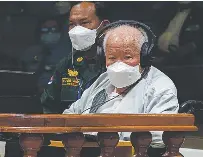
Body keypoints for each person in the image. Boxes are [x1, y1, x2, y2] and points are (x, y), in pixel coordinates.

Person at [63, 22, 179, 157]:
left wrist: (110, 136)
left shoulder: (160, 86)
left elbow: (160, 136)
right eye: (112, 58)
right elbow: (71, 113)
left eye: (127, 57)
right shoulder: (103, 80)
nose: (119, 64)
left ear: (144, 56)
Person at [41, 1, 110, 114]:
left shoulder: (117, 63)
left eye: (84, 22)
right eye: (72, 24)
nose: (77, 30)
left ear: (105, 26)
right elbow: (49, 106)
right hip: (68, 129)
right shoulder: (68, 63)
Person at [21, 17, 72, 93]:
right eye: (45, 29)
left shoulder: (69, 53)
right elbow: (24, 77)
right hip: (32, 95)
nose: (50, 33)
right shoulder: (30, 52)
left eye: (54, 29)